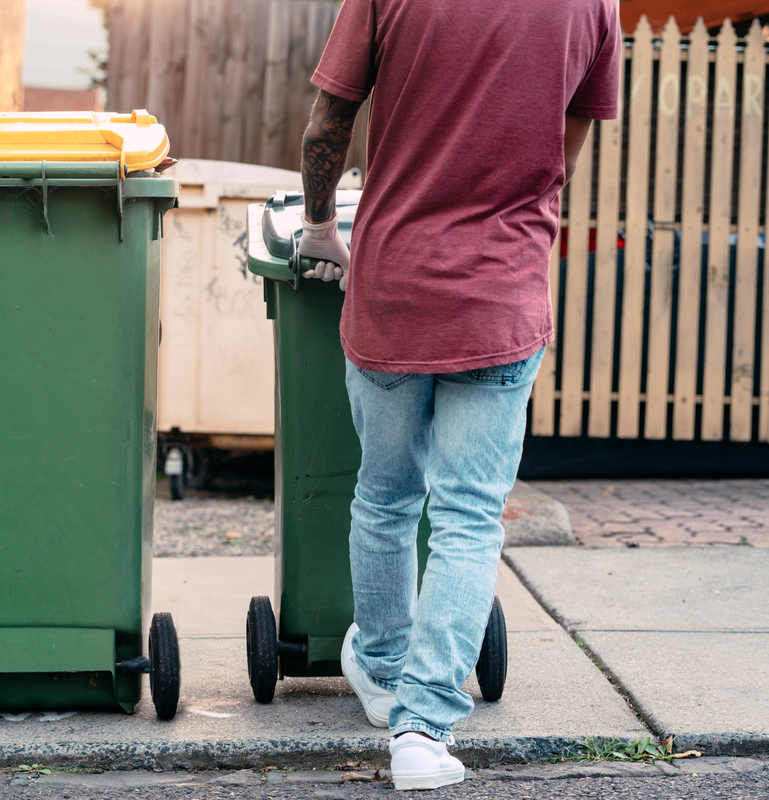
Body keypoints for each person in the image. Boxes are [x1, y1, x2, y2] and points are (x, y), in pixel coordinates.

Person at [296, 0, 621, 791]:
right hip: (500, 294)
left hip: (393, 287)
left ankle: (379, 671)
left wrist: (317, 226)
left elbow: (324, 129)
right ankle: (422, 728)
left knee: (383, 495)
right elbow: (563, 152)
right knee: (470, 518)